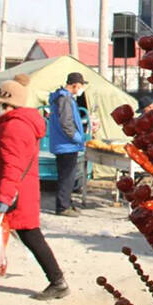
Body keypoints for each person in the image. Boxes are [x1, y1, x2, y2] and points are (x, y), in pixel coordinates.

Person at [0, 75, 69, 299]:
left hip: (13, 194)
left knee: (30, 237)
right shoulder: (15, 124)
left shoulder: (14, 128)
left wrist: (5, 196)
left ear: (7, 105)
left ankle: (58, 282)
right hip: (14, 191)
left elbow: (13, 166)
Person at [48, 72, 88, 216]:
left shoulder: (62, 97)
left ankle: (67, 203)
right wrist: (78, 138)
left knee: (67, 176)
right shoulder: (65, 99)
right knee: (67, 176)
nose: (81, 89)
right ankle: (63, 207)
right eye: (81, 86)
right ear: (75, 85)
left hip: (64, 143)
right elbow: (66, 123)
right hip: (67, 144)